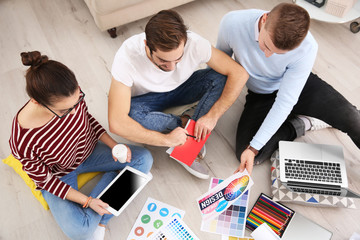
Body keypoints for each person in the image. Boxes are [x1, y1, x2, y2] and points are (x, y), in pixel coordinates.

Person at [9, 51, 153, 240]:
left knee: (144, 159)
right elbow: (45, 181)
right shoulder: (22, 139)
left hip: (89, 151)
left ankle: (102, 221)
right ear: (37, 102)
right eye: (65, 111)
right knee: (81, 232)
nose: (74, 110)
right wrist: (88, 201)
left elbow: (88, 121)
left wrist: (114, 145)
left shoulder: (71, 96)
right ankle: (112, 182)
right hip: (58, 175)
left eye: (77, 100)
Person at [216, 3, 360, 174]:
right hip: (261, 93)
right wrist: (253, 147)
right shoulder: (233, 23)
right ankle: (303, 123)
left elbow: (285, 101)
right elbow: (219, 66)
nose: (268, 55)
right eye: (266, 46)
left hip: (300, 87)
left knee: (352, 118)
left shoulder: (308, 47)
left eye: (279, 53)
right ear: (264, 19)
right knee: (246, 152)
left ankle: (306, 116)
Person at [108, 10, 249, 179]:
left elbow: (239, 74)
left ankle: (190, 136)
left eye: (178, 59)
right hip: (146, 99)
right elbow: (116, 123)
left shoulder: (194, 43)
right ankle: (184, 130)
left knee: (221, 77)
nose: (172, 68)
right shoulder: (127, 56)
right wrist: (167, 140)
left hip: (183, 87)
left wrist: (213, 116)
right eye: (163, 61)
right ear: (147, 46)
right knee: (131, 115)